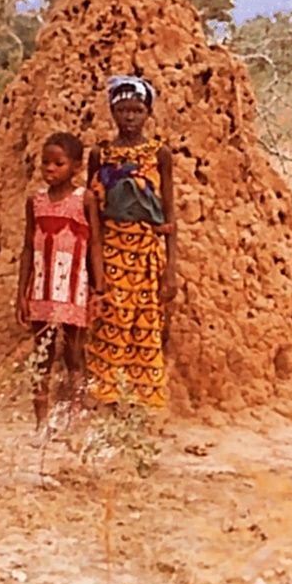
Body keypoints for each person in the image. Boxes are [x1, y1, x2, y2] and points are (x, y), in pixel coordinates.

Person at [85, 75, 177, 408]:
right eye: (122, 109)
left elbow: (169, 212)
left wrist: (171, 268)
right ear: (111, 111)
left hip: (148, 252)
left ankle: (140, 403)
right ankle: (105, 399)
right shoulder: (101, 154)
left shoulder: (159, 154)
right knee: (109, 320)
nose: (129, 117)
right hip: (111, 250)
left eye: (137, 110)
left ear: (148, 112)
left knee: (146, 323)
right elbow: (90, 207)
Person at [16, 131, 104, 435]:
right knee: (42, 355)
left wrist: (99, 289)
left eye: (58, 164)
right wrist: (21, 294)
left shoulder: (85, 200)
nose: (49, 169)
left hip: (74, 291)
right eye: (45, 163)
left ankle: (73, 416)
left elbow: (95, 245)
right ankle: (41, 422)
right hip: (41, 291)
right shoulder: (35, 202)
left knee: (74, 355)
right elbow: (28, 247)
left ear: (76, 168)